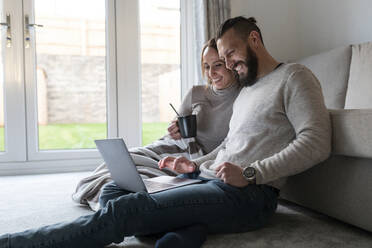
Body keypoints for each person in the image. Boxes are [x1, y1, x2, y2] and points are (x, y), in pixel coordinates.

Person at [0, 16, 331, 248]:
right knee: (116, 190)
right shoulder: (248, 90)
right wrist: (195, 165)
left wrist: (251, 173)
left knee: (125, 211)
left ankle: (14, 242)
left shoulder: (295, 77)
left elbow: (317, 142)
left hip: (248, 196)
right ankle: (184, 231)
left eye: (230, 55)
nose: (228, 65)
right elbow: (230, 146)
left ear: (254, 40)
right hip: (211, 180)